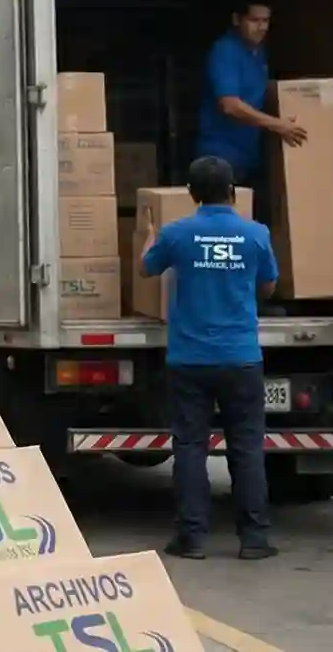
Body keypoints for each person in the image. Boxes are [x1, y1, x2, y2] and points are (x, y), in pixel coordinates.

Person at [140, 156, 279, 562]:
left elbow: (148, 268)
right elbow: (268, 285)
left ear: (191, 194)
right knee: (247, 448)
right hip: (241, 357)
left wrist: (148, 235)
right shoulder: (255, 234)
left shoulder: (178, 233)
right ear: (233, 190)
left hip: (190, 359)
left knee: (189, 447)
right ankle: (254, 538)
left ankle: (192, 537)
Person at [196, 0, 307, 197]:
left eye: (266, 20)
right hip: (221, 156)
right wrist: (278, 125)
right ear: (237, 20)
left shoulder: (258, 53)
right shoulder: (225, 51)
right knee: (225, 222)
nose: (261, 27)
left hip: (248, 154)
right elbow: (230, 105)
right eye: (255, 20)